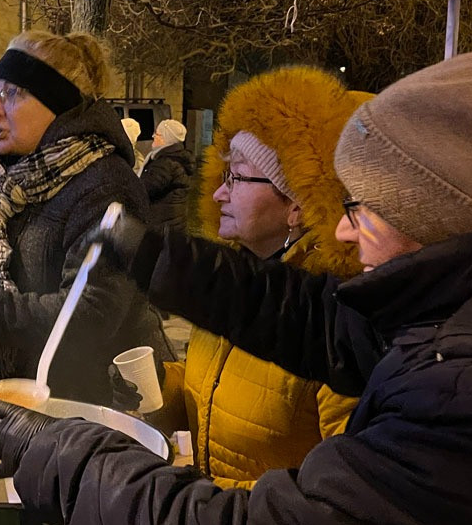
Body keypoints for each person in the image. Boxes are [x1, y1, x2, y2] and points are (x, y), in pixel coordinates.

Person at [0, 51, 472, 525]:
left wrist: (70, 460)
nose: (340, 227)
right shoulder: (457, 308)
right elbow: (314, 320)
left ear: (435, 216)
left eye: (361, 207)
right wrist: (155, 257)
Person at [0, 31, 171, 405]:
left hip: (94, 402)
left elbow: (89, 317)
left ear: (57, 104)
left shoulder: (106, 186)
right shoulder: (16, 176)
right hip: (31, 389)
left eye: (13, 94)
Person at [153, 68, 370, 488]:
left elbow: (338, 494)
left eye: (236, 177)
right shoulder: (235, 274)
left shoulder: (332, 320)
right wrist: (162, 386)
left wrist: (194, 499)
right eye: (223, 175)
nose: (219, 193)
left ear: (297, 204)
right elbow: (218, 386)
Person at [139, 118, 194, 233]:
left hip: (162, 226)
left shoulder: (165, 164)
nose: (153, 136)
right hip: (173, 222)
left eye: (157, 134)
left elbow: (144, 190)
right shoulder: (177, 158)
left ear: (165, 139)